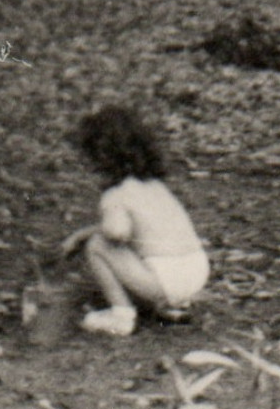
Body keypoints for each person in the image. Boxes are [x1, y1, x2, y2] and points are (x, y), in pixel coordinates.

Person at [67, 105, 208, 336]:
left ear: (99, 160)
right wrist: (81, 233)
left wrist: (89, 236)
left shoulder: (115, 195)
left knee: (99, 245)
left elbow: (116, 232)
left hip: (166, 280)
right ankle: (175, 306)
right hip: (196, 271)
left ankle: (121, 315)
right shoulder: (156, 187)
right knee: (140, 245)